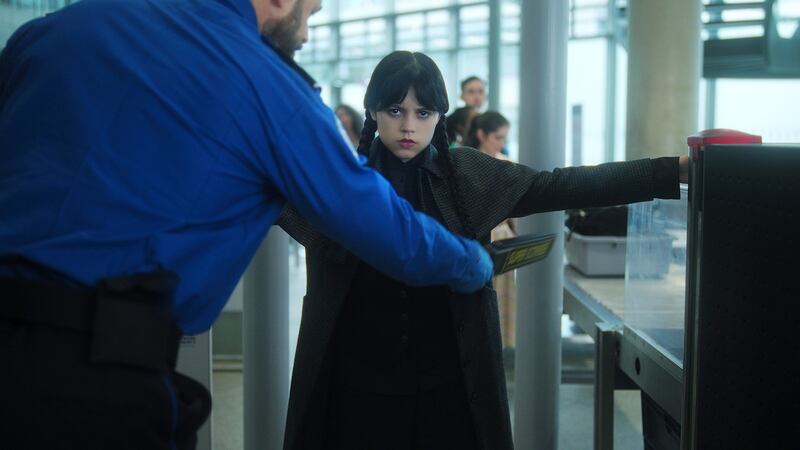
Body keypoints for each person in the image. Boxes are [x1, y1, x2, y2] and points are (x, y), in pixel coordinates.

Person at [0, 1, 494, 449]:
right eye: (310, 10)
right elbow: (382, 226)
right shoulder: (269, 87)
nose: (309, 26)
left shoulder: (58, 30)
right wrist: (472, 262)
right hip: (97, 376)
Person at [280, 50, 689, 450]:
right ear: (372, 111)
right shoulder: (335, 180)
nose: (408, 126)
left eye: (423, 113)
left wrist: (670, 172)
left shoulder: (468, 175)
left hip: (451, 385)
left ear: (440, 115)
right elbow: (265, 190)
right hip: (356, 387)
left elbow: (561, 185)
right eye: (395, 110)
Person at [463, 110, 517, 350]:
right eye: (498, 137)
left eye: (504, 138)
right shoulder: (464, 163)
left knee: (502, 300)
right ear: (481, 134)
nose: (501, 143)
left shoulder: (506, 163)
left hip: (502, 237)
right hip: (475, 239)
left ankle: (500, 347)